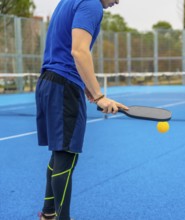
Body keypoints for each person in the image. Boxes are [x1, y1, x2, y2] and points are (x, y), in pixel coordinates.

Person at [35, 0, 127, 219]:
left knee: (59, 153)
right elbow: (78, 51)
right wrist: (99, 95)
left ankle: (48, 214)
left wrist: (87, 86)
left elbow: (65, 48)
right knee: (67, 156)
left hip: (49, 81)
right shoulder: (92, 5)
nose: (118, 1)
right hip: (64, 86)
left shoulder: (69, 1)